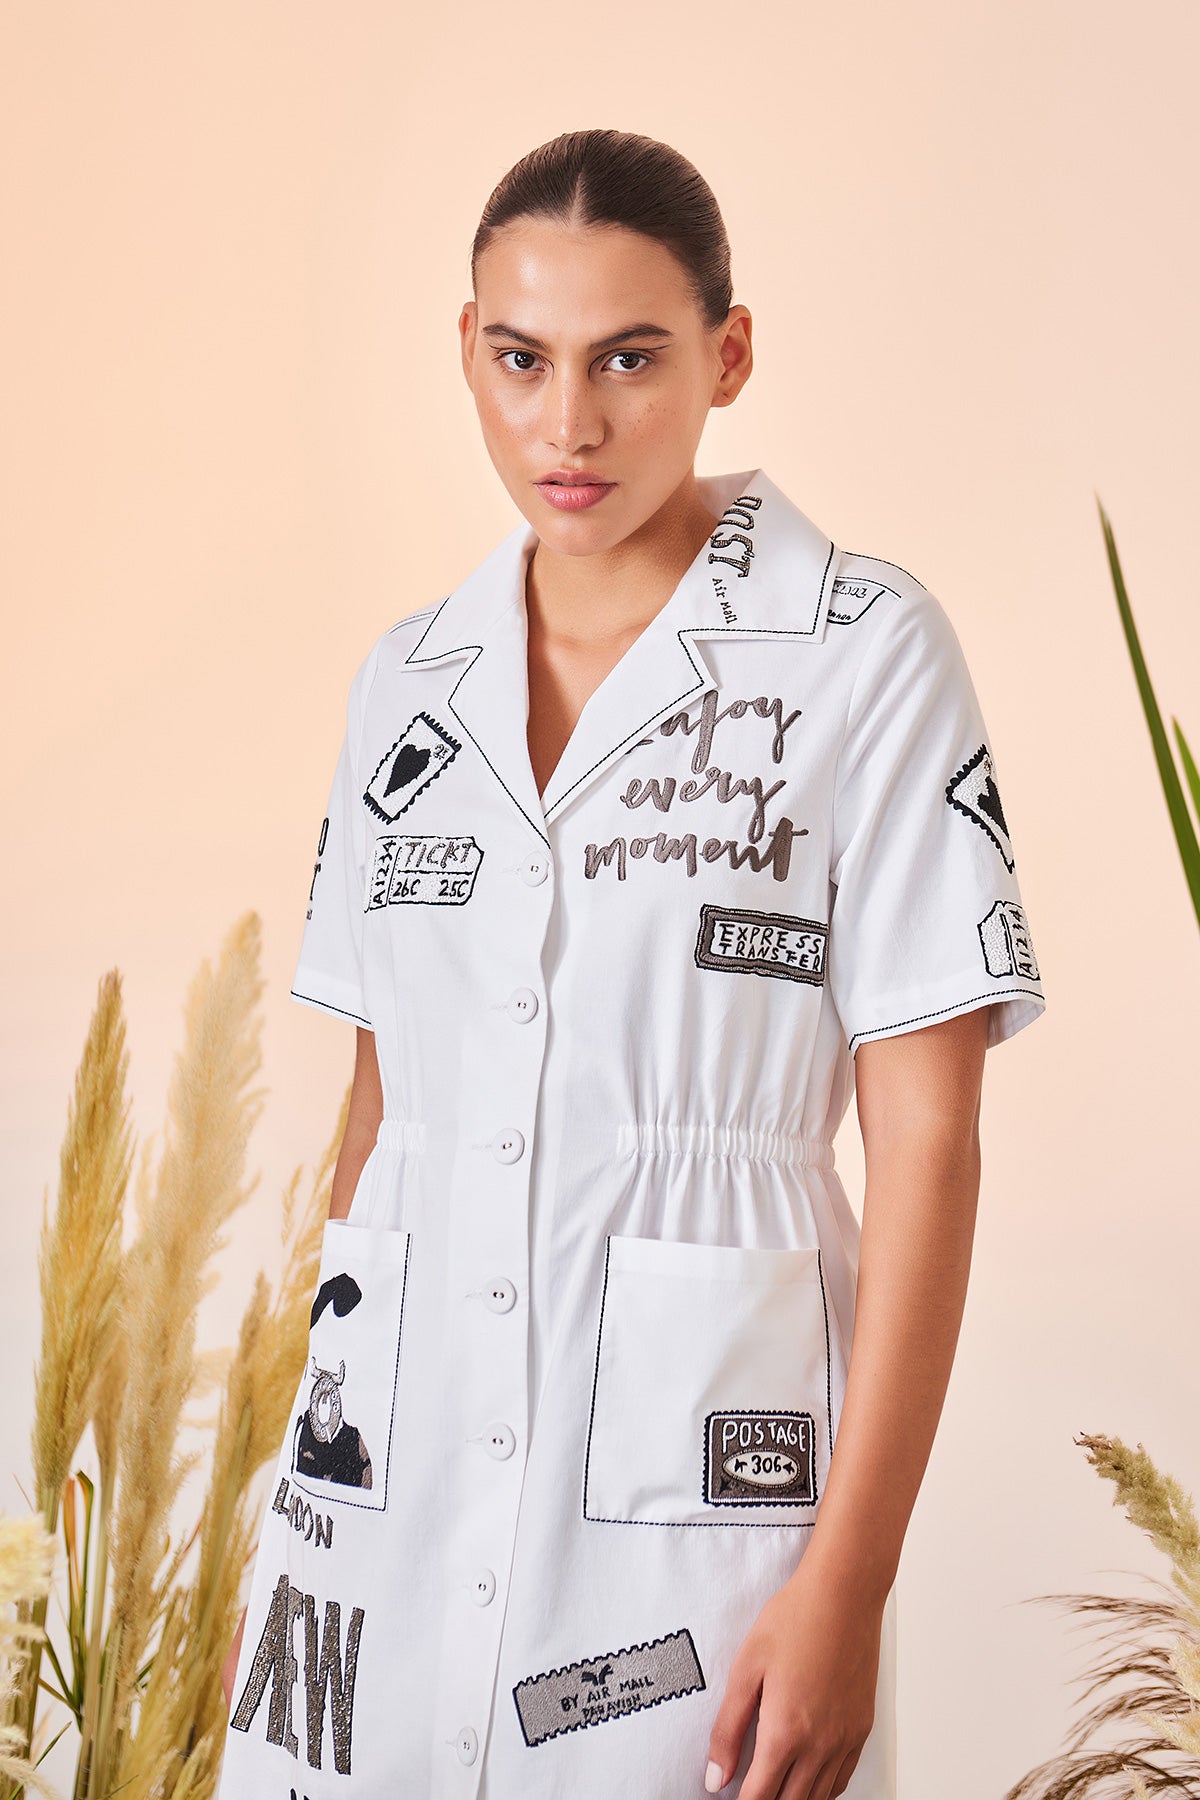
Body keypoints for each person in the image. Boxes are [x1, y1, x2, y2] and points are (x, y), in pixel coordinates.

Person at [215, 127, 1046, 1800]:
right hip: (383, 1489)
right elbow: (379, 1119)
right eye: (523, 359)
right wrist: (308, 1489)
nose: (569, 427)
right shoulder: (411, 681)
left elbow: (931, 1144)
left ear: (728, 358)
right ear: (468, 349)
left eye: (629, 360)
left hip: (703, 1528)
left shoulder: (863, 653)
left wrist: (850, 1584)